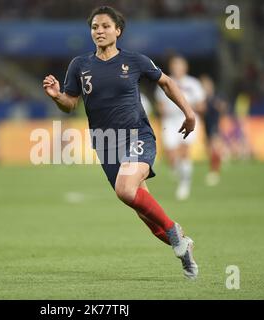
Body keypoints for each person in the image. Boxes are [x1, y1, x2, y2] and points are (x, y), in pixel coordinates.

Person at [42, 6, 198, 279]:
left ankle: (173, 230)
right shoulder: (80, 65)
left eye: (104, 26)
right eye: (94, 27)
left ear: (118, 31)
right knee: (144, 212)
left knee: (125, 190)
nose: (99, 31)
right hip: (105, 143)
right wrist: (56, 96)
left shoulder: (135, 61)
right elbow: (69, 104)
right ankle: (184, 246)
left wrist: (189, 113)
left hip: (138, 134)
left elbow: (167, 83)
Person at [155, 55, 206, 200]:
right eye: (175, 66)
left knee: (184, 151)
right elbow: (160, 105)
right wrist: (164, 110)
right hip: (170, 122)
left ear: (185, 68)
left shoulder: (193, 84)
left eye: (180, 66)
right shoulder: (165, 81)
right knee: (171, 155)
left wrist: (189, 108)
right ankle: (182, 174)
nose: (177, 69)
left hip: (187, 119)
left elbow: (202, 105)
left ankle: (185, 183)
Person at [200, 74, 228, 186]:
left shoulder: (215, 97)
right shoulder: (203, 99)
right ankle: (215, 169)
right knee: (209, 149)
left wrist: (219, 106)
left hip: (214, 125)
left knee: (213, 148)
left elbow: (223, 107)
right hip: (206, 126)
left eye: (206, 85)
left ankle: (214, 173)